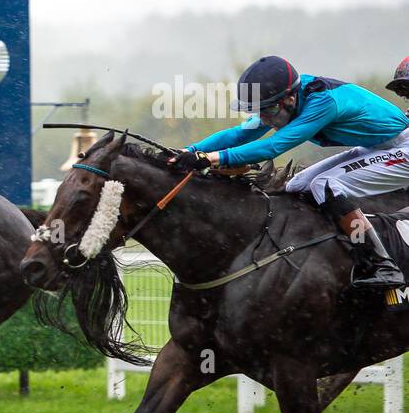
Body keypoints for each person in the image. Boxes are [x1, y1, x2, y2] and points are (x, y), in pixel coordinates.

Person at [171, 55, 408, 289]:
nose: (264, 118)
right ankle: (331, 249)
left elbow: (274, 146)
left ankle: (382, 263)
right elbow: (239, 134)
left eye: (268, 110)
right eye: (258, 110)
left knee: (325, 185)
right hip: (377, 146)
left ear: (290, 99)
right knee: (297, 186)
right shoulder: (280, 100)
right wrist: (190, 150)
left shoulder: (322, 103)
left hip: (403, 147)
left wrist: (210, 158)